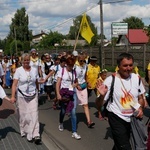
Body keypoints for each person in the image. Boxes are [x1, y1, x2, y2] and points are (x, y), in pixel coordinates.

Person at [96, 53, 146, 149]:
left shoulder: (137, 79)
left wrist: (140, 108)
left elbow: (141, 98)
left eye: (130, 65)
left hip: (132, 119)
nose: (128, 68)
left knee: (119, 145)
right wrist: (101, 96)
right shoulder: (110, 80)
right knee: (125, 147)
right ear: (118, 66)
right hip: (116, 117)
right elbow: (99, 105)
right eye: (125, 65)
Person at [10, 53, 41, 144]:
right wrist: (12, 96)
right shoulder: (18, 71)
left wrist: (38, 91)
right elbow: (14, 84)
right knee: (24, 115)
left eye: (28, 60)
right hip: (22, 95)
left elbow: (36, 81)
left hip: (33, 95)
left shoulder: (34, 70)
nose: (26, 62)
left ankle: (35, 134)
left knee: (34, 114)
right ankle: (26, 131)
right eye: (25, 60)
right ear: (22, 61)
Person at [56, 57, 81, 140]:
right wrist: (58, 94)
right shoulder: (62, 71)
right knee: (63, 111)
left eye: (72, 65)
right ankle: (61, 122)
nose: (71, 67)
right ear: (66, 64)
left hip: (72, 93)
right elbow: (58, 83)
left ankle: (74, 132)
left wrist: (75, 85)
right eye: (70, 65)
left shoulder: (74, 72)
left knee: (73, 112)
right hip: (64, 93)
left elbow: (76, 82)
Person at [75, 54, 95, 128]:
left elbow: (85, 75)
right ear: (78, 59)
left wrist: (87, 82)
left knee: (85, 104)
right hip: (76, 86)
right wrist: (77, 85)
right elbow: (73, 76)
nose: (82, 62)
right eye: (80, 60)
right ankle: (73, 117)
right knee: (75, 104)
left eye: (83, 60)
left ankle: (89, 121)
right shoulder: (74, 66)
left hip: (83, 85)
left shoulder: (85, 65)